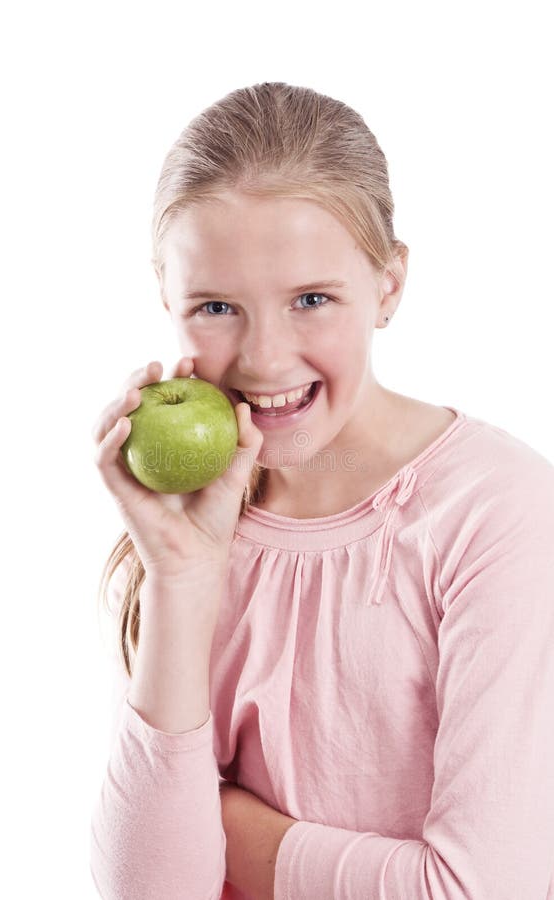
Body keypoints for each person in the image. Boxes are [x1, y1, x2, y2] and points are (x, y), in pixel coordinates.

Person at [89, 82, 554, 899]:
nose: (265, 358)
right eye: (216, 306)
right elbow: (150, 890)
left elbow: (481, 889)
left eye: (311, 299)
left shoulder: (496, 511)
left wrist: (225, 827)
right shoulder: (187, 526)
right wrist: (181, 579)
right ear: (165, 295)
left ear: (388, 285)